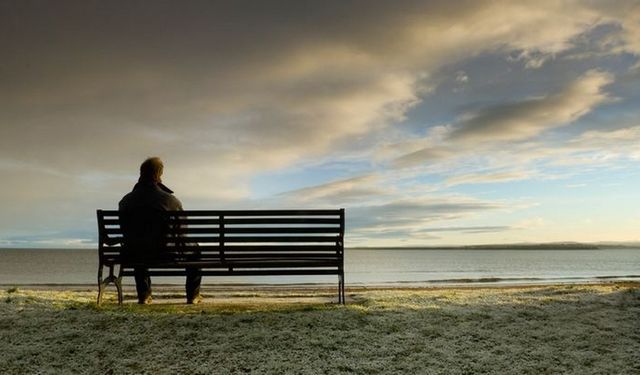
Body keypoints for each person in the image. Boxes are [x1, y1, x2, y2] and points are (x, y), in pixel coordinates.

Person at [119, 157, 202, 304]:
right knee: (195, 249)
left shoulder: (126, 200)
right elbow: (182, 232)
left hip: (136, 253)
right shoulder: (171, 201)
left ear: (141, 173)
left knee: (138, 245)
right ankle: (193, 295)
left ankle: (144, 295)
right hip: (166, 253)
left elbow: (125, 231)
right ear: (159, 174)